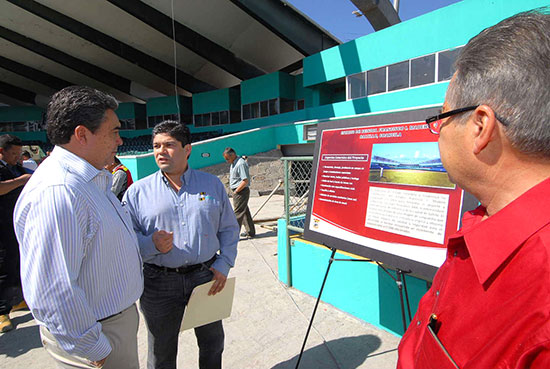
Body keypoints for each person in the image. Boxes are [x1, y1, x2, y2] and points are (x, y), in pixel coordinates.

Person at [397, 9, 550, 369]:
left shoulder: (540, 299)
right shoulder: (485, 221)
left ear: (481, 126)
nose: (438, 133)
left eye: (442, 118)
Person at [13, 86, 143, 369]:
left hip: (110, 326)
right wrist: (92, 346)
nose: (120, 141)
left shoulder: (89, 180)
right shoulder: (59, 191)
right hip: (96, 335)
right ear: (82, 134)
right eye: (113, 132)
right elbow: (52, 287)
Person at [123, 121, 239, 369]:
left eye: (169, 145)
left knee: (212, 343)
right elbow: (125, 239)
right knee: (161, 351)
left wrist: (224, 263)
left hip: (205, 277)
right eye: (156, 146)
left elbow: (229, 228)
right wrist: (150, 243)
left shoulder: (211, 185)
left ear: (187, 149)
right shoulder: (137, 192)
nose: (160, 152)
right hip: (158, 282)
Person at [0, 134, 31, 333]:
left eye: (19, 154)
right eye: (13, 154)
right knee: (4, 265)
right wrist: (20, 181)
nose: (17, 157)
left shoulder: (16, 167)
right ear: (1, 151)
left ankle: (17, 299)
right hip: (1, 226)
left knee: (19, 261)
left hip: (16, 225)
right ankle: (2, 311)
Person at [223, 147, 256, 238]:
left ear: (232, 155)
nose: (227, 161)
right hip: (238, 191)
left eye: (227, 159)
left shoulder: (240, 164)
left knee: (238, 213)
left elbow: (245, 181)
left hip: (240, 191)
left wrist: (236, 191)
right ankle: (250, 231)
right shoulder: (235, 162)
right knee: (244, 211)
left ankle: (233, 235)